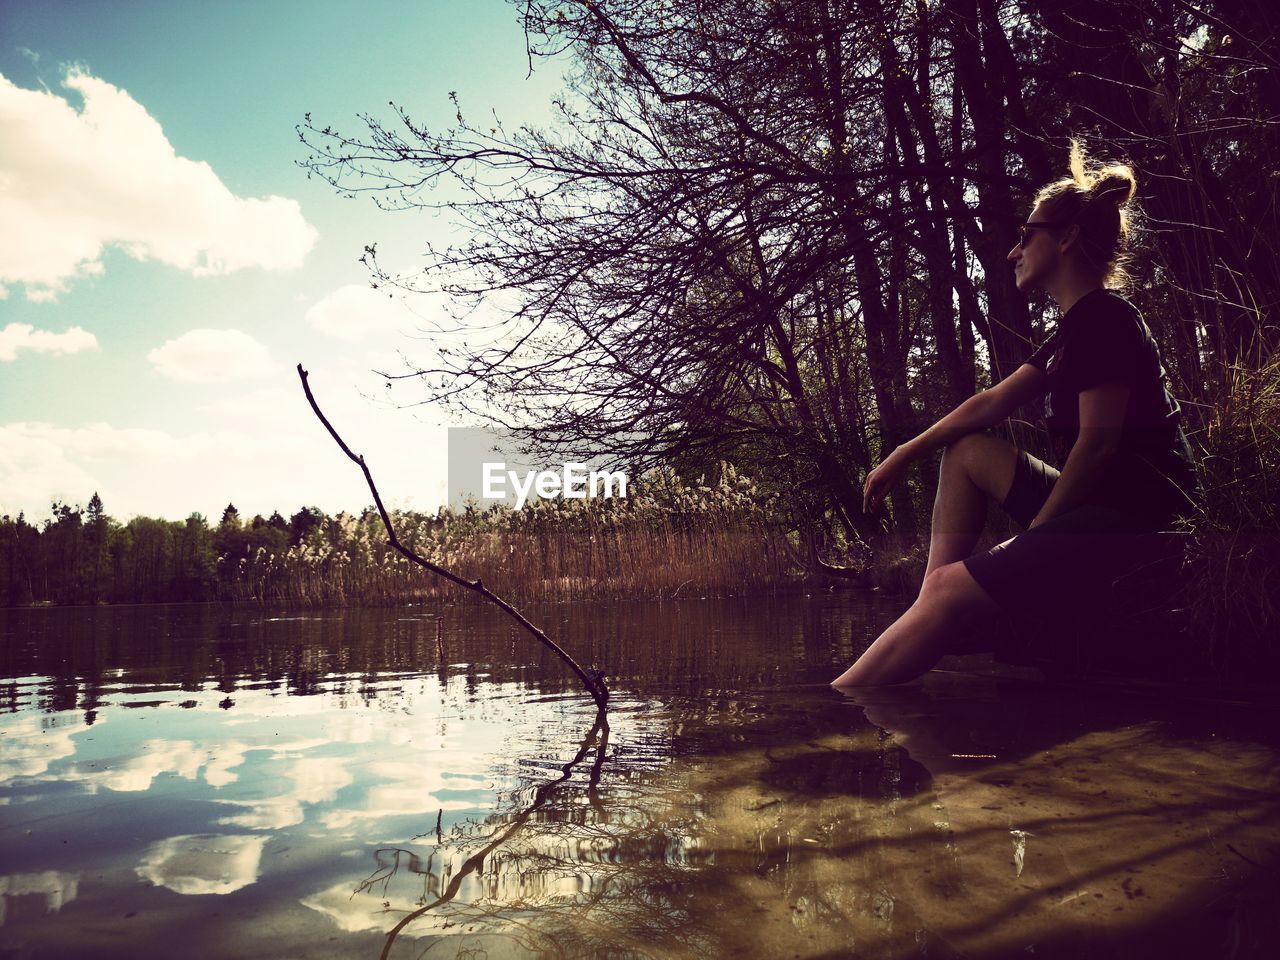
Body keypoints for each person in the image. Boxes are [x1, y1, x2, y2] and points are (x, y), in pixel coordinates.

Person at [830, 140, 1199, 688]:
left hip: (1143, 522)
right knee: (968, 452)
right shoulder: (1072, 331)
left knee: (950, 586)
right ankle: (941, 611)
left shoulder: (1106, 320)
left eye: (1027, 236)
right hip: (1100, 509)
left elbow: (1096, 447)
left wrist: (1036, 540)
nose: (1013, 251)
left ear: (1068, 237)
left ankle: (839, 705)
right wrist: (903, 453)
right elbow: (989, 403)